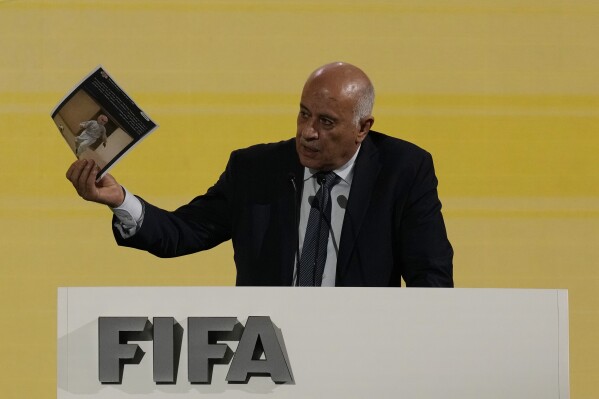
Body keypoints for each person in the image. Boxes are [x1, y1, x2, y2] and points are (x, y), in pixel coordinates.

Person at [66, 62, 453, 287]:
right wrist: (120, 200)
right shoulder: (255, 170)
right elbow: (182, 233)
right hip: (268, 361)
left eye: (326, 121)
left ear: (362, 128)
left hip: (362, 357)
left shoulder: (404, 171)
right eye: (303, 113)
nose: (307, 132)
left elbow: (431, 280)